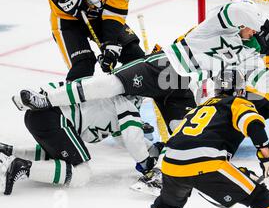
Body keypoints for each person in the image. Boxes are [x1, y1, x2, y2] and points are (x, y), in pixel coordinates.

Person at [13, 0, 269, 134]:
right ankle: (46, 97)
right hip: (161, 68)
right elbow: (237, 8)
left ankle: (155, 171)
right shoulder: (216, 25)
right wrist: (261, 23)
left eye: (257, 35)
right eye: (253, 30)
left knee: (183, 136)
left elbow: (263, 79)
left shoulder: (247, 53)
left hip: (181, 88)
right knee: (107, 85)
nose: (252, 35)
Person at [141, 70, 269, 208]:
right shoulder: (237, 103)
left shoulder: (197, 108)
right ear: (241, 89)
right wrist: (267, 156)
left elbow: (186, 141)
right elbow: (253, 125)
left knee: (166, 205)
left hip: (170, 163)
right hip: (207, 163)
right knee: (261, 198)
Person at [1, 81, 163, 195]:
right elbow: (132, 138)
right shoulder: (128, 105)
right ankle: (21, 167)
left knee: (57, 151)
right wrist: (146, 162)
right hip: (56, 119)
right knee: (81, 172)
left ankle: (10, 152)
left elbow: (123, 135)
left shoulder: (109, 87)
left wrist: (150, 147)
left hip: (38, 115)